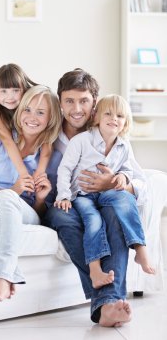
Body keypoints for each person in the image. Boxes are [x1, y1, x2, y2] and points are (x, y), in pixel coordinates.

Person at [42, 68, 148, 327]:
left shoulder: (113, 136)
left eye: (84, 101)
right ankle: (108, 300)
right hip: (62, 199)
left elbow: (139, 181)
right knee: (67, 219)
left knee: (114, 214)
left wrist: (113, 183)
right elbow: (18, 126)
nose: (76, 108)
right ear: (60, 102)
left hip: (102, 198)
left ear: (94, 105)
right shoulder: (50, 132)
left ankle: (107, 304)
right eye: (69, 101)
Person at [0, 84, 62, 302]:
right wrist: (12, 189)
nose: (32, 117)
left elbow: (40, 214)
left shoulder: (51, 158)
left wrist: (42, 198)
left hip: (21, 211)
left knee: (7, 198)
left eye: (41, 112)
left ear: (50, 119)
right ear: (20, 110)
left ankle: (2, 275)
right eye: (27, 109)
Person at [54, 94, 155, 290]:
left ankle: (140, 248)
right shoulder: (82, 141)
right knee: (93, 220)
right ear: (96, 117)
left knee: (125, 199)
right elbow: (65, 168)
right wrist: (64, 195)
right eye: (108, 113)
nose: (114, 119)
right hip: (82, 195)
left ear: (125, 123)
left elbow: (128, 170)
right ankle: (95, 269)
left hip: (107, 193)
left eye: (120, 116)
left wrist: (123, 178)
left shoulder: (124, 145)